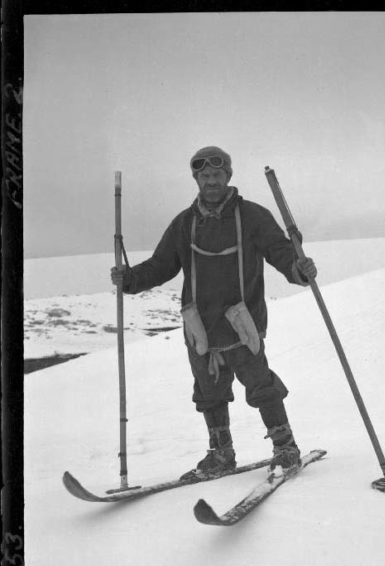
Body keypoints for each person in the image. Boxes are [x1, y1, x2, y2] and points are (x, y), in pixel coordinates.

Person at [111, 146, 317, 480]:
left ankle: (285, 447)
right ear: (196, 178)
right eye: (204, 175)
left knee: (260, 383)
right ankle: (222, 453)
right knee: (209, 392)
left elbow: (280, 251)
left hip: (241, 322)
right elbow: (162, 265)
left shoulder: (252, 216)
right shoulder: (184, 224)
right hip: (200, 326)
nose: (211, 180)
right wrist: (130, 279)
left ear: (228, 176)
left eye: (217, 174)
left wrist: (298, 269)